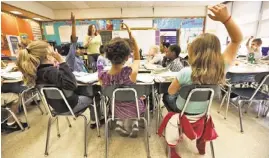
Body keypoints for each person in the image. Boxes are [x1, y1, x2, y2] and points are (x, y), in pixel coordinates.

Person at [166, 4, 242, 156]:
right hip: (204, 111)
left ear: (193, 53)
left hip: (183, 110)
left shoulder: (185, 72)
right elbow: (237, 40)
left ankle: (174, 140)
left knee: (166, 96)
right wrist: (227, 20)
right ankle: (201, 142)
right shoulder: (221, 68)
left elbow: (171, 91)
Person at [16, 40, 101, 129]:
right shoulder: (50, 71)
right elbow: (72, 85)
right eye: (52, 51)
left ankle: (95, 119)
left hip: (56, 107)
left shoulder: (37, 72)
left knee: (83, 90)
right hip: (71, 106)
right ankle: (96, 120)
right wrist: (61, 60)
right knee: (95, 95)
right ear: (47, 55)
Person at [98, 23, 144, 138]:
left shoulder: (102, 76)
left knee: (117, 97)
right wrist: (132, 38)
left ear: (107, 56)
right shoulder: (130, 73)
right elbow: (138, 59)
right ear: (128, 57)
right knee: (142, 97)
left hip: (116, 111)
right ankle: (134, 123)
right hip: (135, 109)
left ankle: (120, 122)